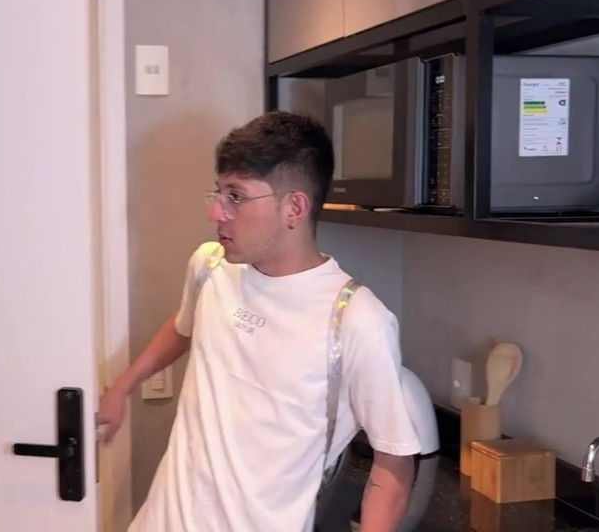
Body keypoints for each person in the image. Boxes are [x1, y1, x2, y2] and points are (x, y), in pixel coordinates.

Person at [97, 111, 420, 532]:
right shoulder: (210, 267)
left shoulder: (356, 320)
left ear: (294, 208)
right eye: (218, 192)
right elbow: (183, 327)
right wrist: (123, 386)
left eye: (236, 196)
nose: (216, 212)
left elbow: (393, 460)